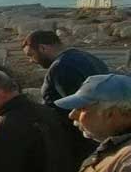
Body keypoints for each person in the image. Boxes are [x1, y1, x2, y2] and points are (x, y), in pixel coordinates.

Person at [22, 30, 109, 163]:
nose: (31, 60)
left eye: (31, 55)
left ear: (42, 48)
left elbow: (78, 108)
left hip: (80, 141)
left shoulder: (61, 67)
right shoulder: (87, 57)